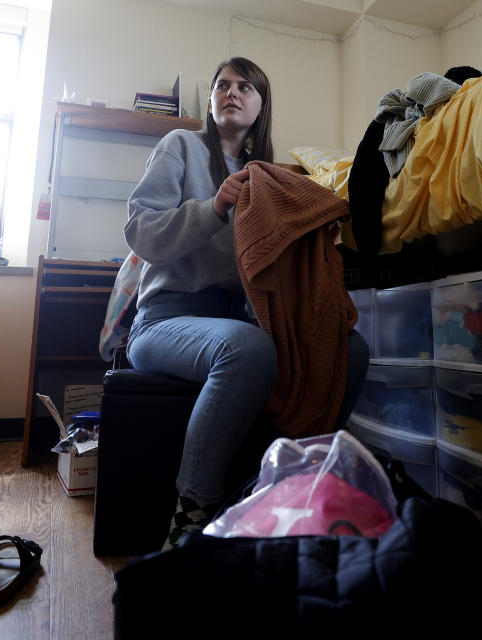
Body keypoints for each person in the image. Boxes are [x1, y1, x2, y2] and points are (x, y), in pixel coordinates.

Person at [123, 57, 278, 549]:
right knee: (247, 349)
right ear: (211, 101)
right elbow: (141, 232)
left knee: (350, 350)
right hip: (163, 321)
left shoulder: (269, 175)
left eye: (246, 87)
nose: (233, 92)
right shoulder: (180, 146)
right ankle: (189, 523)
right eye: (223, 86)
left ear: (261, 105)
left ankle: (295, 493)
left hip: (237, 322)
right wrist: (214, 208)